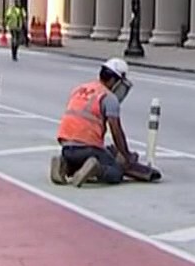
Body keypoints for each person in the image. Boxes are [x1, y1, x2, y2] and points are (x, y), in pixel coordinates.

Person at [50, 58, 154, 186]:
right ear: (113, 80)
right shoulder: (109, 97)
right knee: (116, 173)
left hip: (66, 147)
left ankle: (64, 164)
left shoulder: (80, 89)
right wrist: (126, 156)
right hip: (88, 147)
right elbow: (116, 131)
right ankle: (96, 169)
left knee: (83, 159)